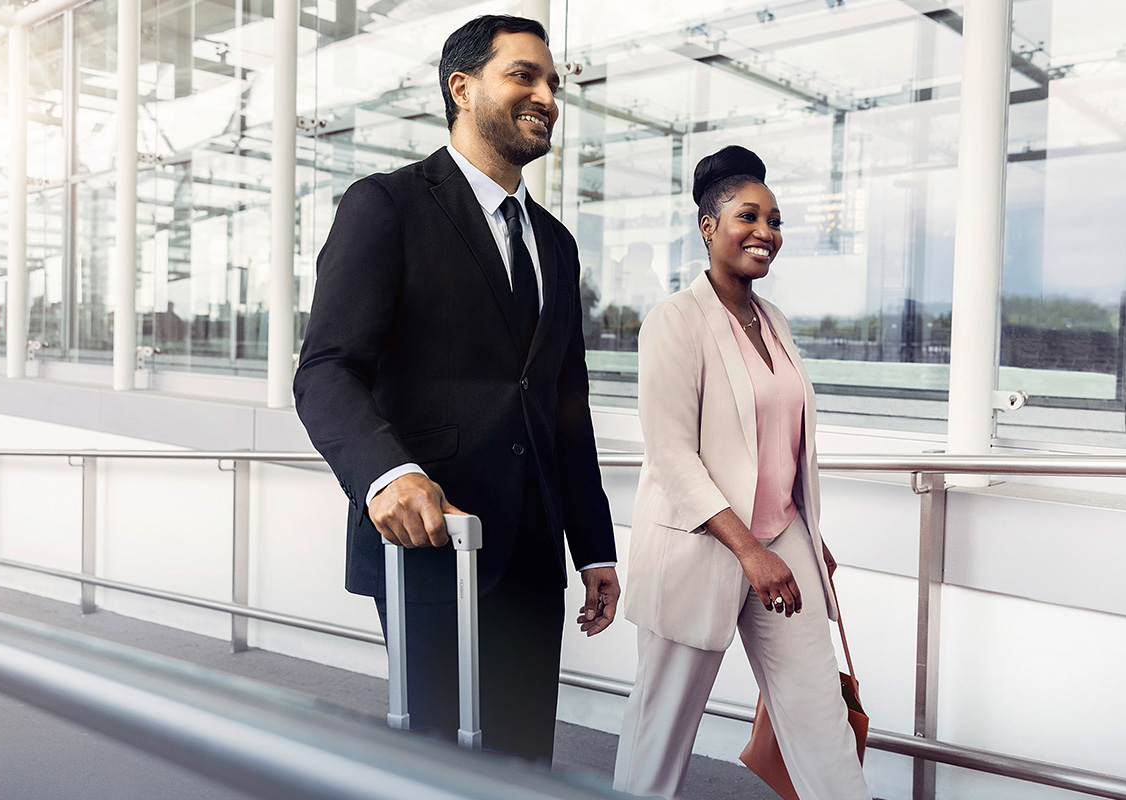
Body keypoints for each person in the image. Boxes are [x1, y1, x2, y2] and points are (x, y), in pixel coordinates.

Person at [293, 14, 619, 764]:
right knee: (438, 759)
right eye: (524, 75)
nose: (546, 95)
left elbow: (566, 406)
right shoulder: (388, 205)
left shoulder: (559, 246)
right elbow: (326, 370)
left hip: (534, 547)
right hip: (434, 534)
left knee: (523, 758)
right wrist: (388, 474)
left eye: (552, 83)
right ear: (461, 88)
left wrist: (593, 545)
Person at [612, 146, 871, 800]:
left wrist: (805, 536)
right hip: (701, 545)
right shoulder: (675, 320)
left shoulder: (774, 322)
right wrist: (750, 550)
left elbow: (778, 442)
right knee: (661, 727)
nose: (766, 232)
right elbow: (672, 455)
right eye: (748, 215)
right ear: (708, 227)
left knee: (821, 717)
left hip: (782, 541)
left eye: (776, 220)